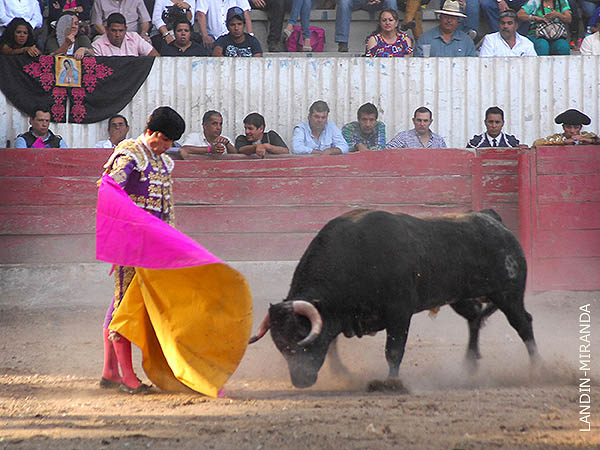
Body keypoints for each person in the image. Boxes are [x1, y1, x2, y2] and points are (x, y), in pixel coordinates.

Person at [99, 106, 186, 394]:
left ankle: (111, 371)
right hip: (130, 245)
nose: (168, 147)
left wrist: (171, 244)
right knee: (125, 304)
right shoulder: (130, 155)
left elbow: (167, 209)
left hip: (154, 247)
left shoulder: (161, 162)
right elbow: (108, 190)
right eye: (167, 141)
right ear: (156, 134)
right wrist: (125, 232)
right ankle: (128, 377)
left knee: (122, 304)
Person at [92, 13, 159, 56]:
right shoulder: (97, 45)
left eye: (121, 31)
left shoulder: (135, 37)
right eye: (114, 30)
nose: (117, 34)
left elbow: (155, 56)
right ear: (107, 29)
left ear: (126, 29)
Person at [532, 109, 600, 146]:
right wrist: (564, 141)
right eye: (568, 127)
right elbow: (536, 143)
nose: (572, 131)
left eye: (576, 127)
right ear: (563, 127)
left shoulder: (587, 136)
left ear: (580, 128)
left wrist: (589, 140)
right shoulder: (558, 138)